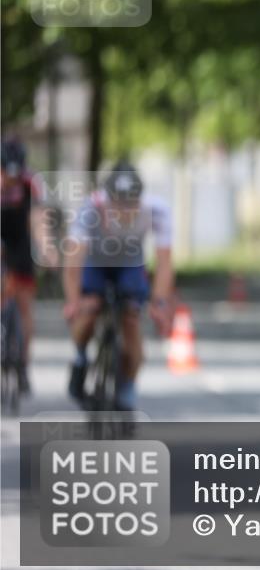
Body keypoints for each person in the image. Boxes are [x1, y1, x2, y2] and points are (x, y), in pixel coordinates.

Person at [63, 160, 174, 411]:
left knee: (131, 320)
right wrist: (74, 302)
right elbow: (72, 264)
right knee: (89, 310)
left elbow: (165, 263)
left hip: (130, 264)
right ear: (107, 200)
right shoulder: (90, 209)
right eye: (117, 205)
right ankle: (80, 357)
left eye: (130, 204)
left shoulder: (157, 210)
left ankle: (128, 384)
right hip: (96, 263)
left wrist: (159, 302)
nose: (124, 211)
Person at [0, 135, 54, 394]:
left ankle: (22, 364)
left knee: (24, 306)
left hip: (20, 240)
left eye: (15, 175)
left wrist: (46, 249)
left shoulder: (31, 183)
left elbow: (38, 220)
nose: (10, 181)